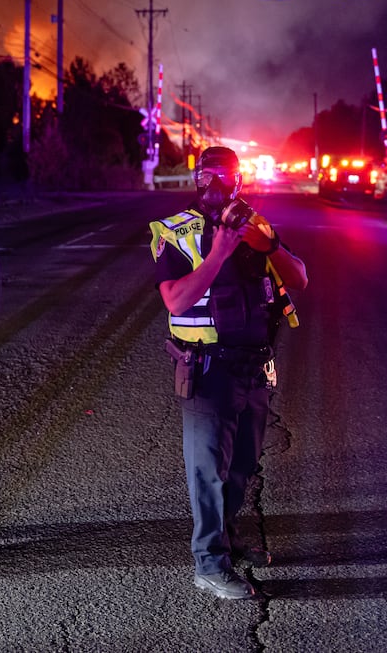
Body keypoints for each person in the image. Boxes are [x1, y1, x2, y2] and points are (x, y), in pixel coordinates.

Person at [149, 146, 308, 600]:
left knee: (242, 464)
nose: (216, 185)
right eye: (207, 176)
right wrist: (217, 253)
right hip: (207, 368)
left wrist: (270, 245)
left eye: (226, 175)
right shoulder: (177, 232)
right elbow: (175, 300)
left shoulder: (256, 226)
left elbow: (299, 278)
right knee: (208, 471)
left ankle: (231, 536)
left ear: (240, 179)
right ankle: (209, 563)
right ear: (196, 180)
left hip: (255, 365)